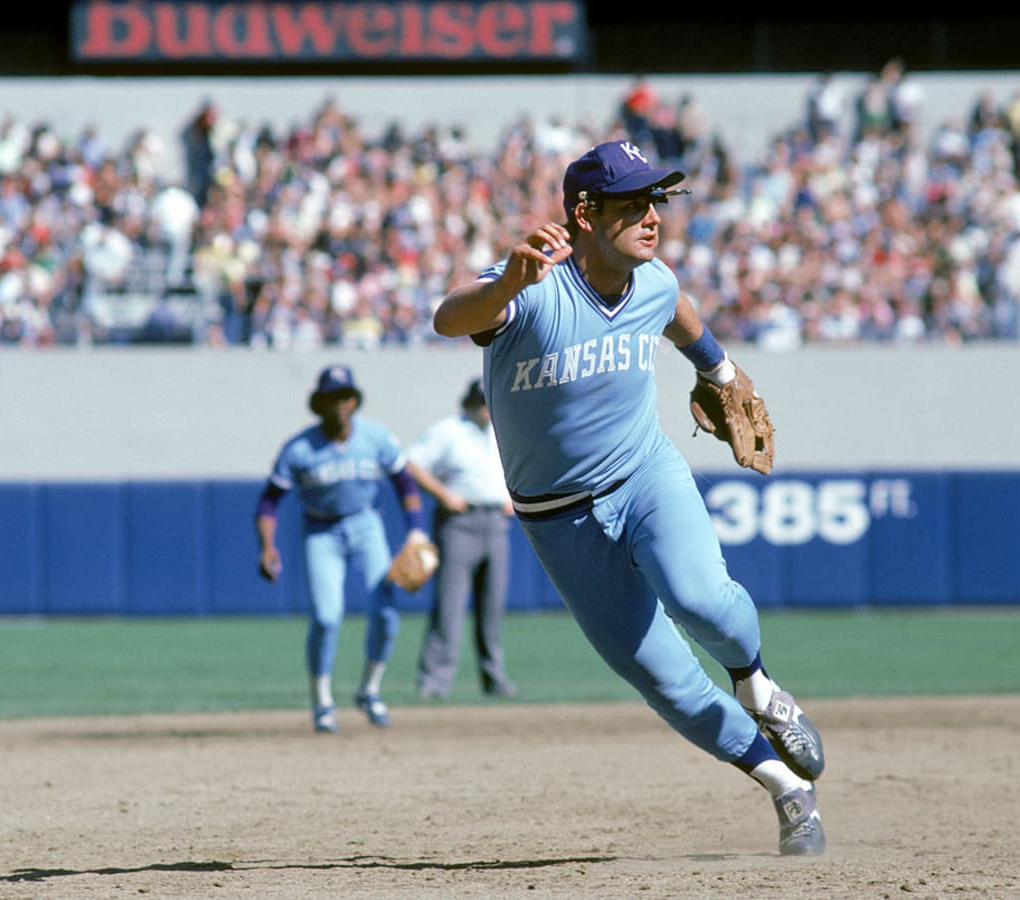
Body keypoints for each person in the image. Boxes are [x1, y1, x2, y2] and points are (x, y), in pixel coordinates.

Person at [432, 139, 827, 856]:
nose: (652, 216)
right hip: (558, 517)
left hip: (645, 474)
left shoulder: (650, 279)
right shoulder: (533, 284)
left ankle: (759, 685)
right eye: (632, 204)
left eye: (656, 202)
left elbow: (679, 313)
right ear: (584, 213)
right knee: (665, 679)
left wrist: (724, 372)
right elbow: (450, 319)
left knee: (703, 600)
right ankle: (785, 789)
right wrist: (507, 283)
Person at [255, 364, 430, 733]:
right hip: (321, 531)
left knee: (385, 614)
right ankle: (322, 701)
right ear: (319, 404)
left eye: (345, 396)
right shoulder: (300, 448)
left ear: (355, 400)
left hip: (366, 523)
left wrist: (415, 532)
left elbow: (406, 484)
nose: (339, 404)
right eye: (331, 398)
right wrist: (267, 546)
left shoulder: (376, 437)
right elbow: (269, 502)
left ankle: (370, 690)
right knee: (326, 616)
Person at [406, 378, 517, 700]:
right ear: (469, 403)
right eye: (481, 402)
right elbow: (411, 463)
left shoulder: (503, 428)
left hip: (496, 521)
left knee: (492, 608)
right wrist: (443, 495)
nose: (486, 408)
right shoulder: (449, 430)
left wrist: (514, 498)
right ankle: (434, 681)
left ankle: (494, 679)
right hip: (459, 522)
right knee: (449, 607)